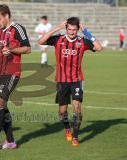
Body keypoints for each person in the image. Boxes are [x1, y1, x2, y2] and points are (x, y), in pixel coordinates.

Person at [38, 17, 103, 147]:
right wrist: (57, 28)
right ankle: (67, 127)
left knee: (77, 108)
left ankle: (75, 136)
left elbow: (99, 48)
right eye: (69, 29)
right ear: (66, 28)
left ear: (78, 29)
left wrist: (86, 32)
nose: (72, 32)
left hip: (76, 80)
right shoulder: (58, 39)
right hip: (62, 81)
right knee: (62, 112)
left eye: (74, 30)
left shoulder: (82, 41)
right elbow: (40, 41)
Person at [0, 4, 31, 151]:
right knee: (0, 105)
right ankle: (10, 141)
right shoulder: (0, 32)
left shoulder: (18, 28)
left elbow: (27, 48)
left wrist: (10, 49)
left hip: (12, 72)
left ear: (6, 16)